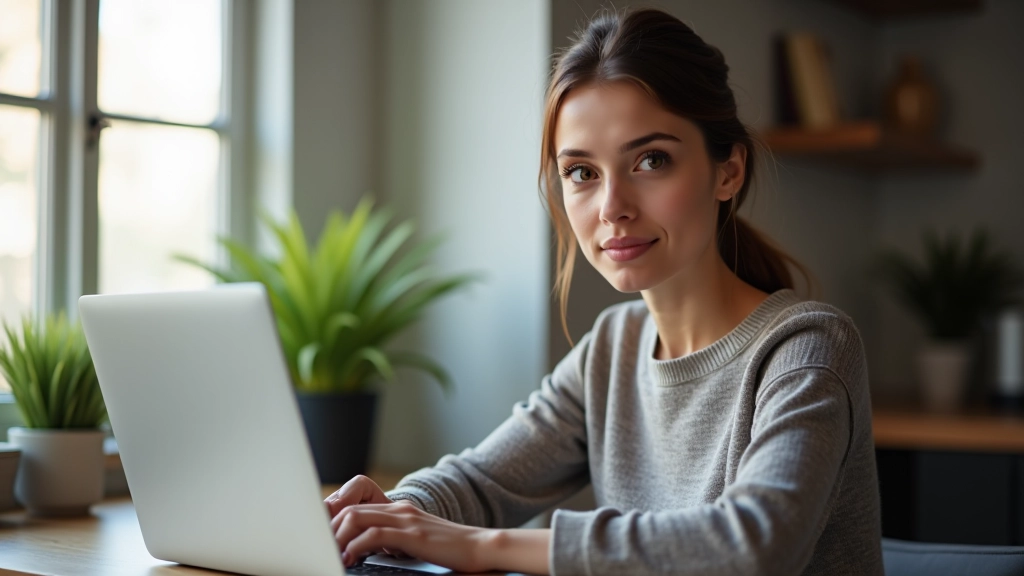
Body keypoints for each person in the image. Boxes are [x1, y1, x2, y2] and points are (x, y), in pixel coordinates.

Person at [325, 7, 883, 575]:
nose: (612, 207)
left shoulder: (808, 346)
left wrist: (478, 545)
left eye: (651, 160)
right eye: (582, 172)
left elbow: (755, 545)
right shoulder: (613, 347)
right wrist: (394, 510)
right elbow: (480, 480)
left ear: (728, 171)